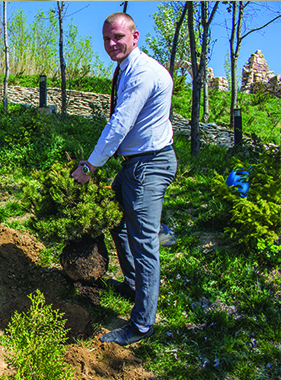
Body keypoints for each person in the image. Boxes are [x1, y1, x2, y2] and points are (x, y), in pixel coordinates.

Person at [72, 12, 177, 346]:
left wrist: (89, 167)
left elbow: (120, 125)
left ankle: (142, 324)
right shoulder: (125, 69)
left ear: (135, 36)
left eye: (117, 36)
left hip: (149, 164)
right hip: (134, 164)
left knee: (145, 245)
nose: (111, 44)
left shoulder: (142, 73)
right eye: (106, 39)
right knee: (117, 221)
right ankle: (132, 284)